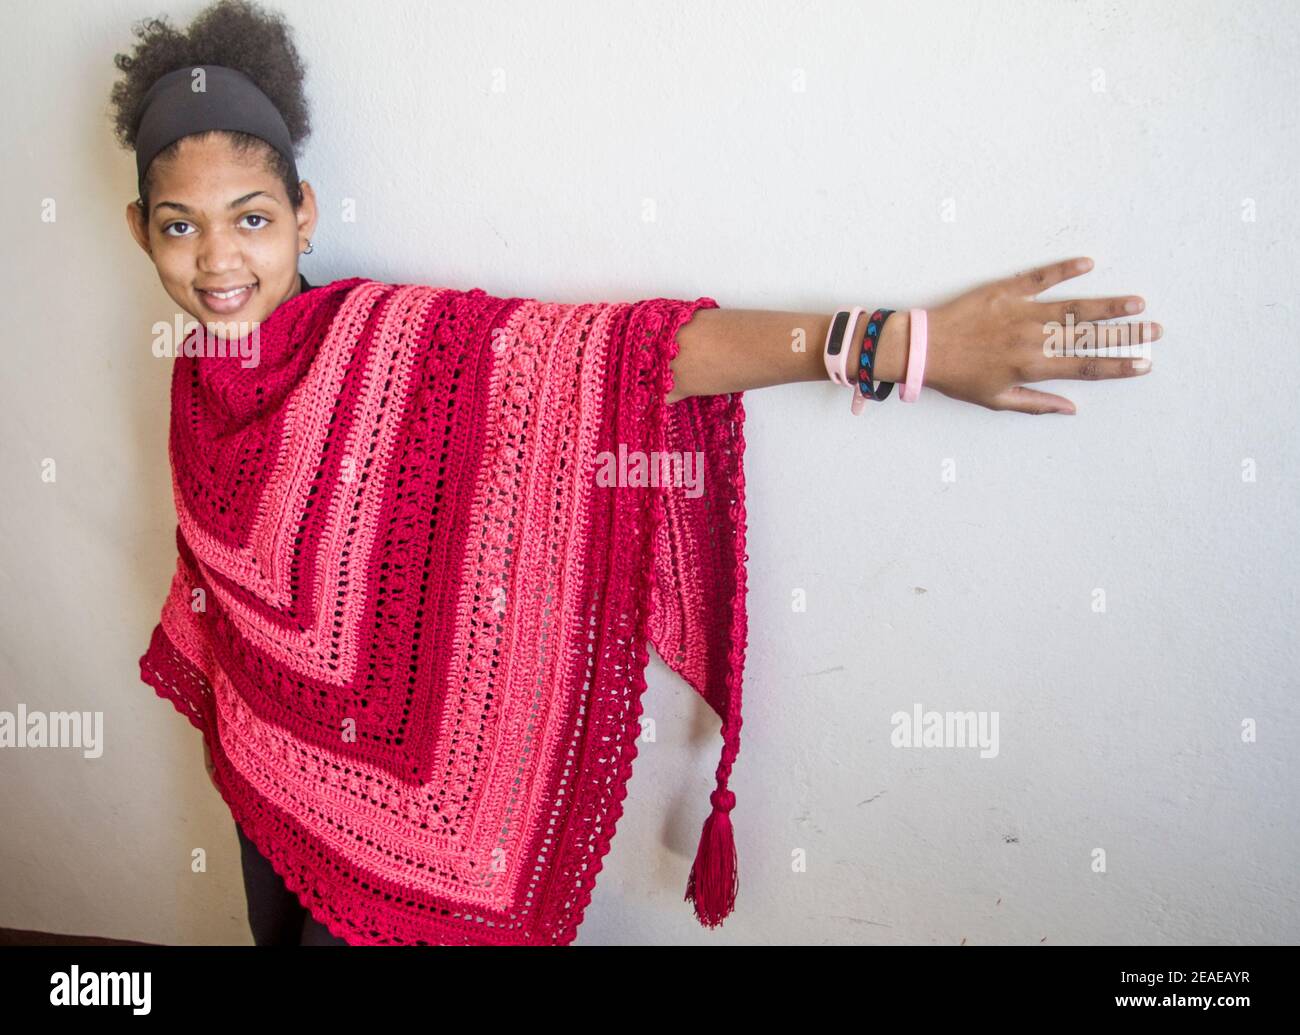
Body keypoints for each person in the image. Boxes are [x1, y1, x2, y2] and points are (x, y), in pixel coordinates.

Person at [113, 0, 1160, 947]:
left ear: (302, 211)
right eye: (180, 226)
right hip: (263, 782)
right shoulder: (193, 378)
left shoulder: (393, 345)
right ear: (140, 232)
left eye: (250, 217)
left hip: (393, 832)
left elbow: (634, 356)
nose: (218, 260)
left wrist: (905, 344)